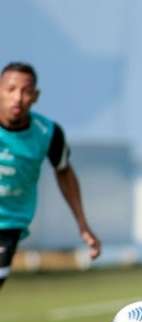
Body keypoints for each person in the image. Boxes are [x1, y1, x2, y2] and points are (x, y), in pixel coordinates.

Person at [0, 62, 100, 288]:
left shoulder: (47, 133)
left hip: (8, 224)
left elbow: (64, 171)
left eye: (25, 91)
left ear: (35, 96)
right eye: (10, 89)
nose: (17, 97)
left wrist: (82, 224)